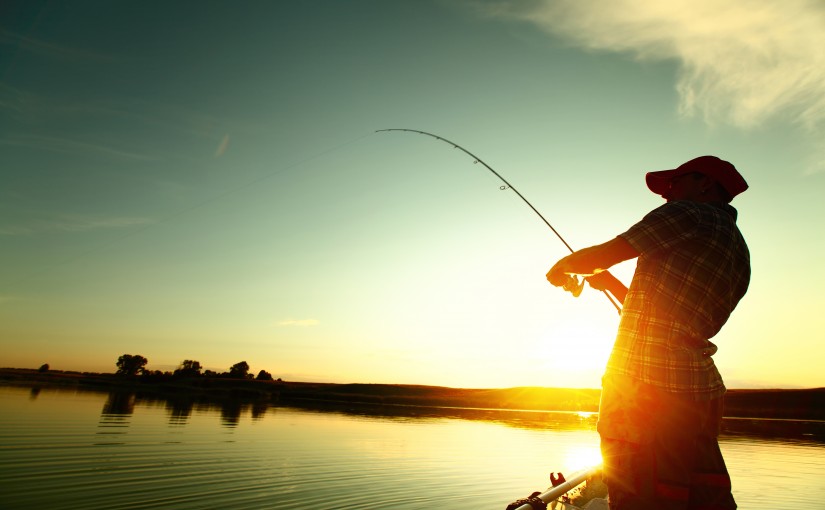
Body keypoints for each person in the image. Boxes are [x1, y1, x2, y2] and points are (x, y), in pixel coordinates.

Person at [546, 156, 750, 509]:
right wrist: (610, 283)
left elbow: (610, 251)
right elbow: (672, 318)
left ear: (704, 184)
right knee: (694, 489)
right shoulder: (738, 248)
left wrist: (563, 266)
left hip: (644, 385)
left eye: (676, 183)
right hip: (699, 390)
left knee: (636, 489)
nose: (667, 194)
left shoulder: (688, 213)